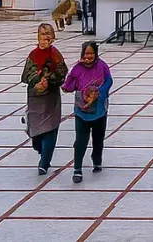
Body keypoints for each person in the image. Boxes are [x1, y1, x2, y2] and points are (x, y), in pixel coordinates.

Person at [62, 41, 113, 183]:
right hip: (81, 110)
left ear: (95, 54)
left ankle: (97, 160)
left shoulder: (102, 66)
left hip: (99, 109)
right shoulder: (77, 68)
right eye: (86, 54)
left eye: (91, 53)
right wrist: (66, 86)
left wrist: (99, 92)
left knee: (98, 138)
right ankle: (77, 169)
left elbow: (108, 81)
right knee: (80, 140)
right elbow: (70, 82)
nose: (88, 56)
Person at [21, 24, 68, 175]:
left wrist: (50, 80)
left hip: (50, 98)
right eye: (42, 34)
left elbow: (63, 73)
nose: (45, 38)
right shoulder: (33, 55)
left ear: (53, 37)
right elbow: (26, 76)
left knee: (50, 128)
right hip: (35, 98)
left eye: (48, 34)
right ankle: (40, 148)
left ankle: (45, 163)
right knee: (36, 133)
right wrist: (38, 80)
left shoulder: (56, 55)